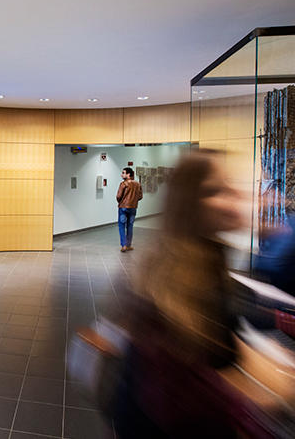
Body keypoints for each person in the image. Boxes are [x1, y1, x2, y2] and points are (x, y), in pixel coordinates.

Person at [114, 150, 277, 438]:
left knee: (123, 227)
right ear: (191, 203)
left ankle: (124, 243)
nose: (243, 195)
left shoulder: (204, 262)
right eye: (220, 189)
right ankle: (126, 243)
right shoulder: (180, 281)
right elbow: (185, 394)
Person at [116, 167, 142, 252]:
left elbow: (118, 196)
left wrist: (121, 202)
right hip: (133, 208)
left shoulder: (123, 184)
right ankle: (129, 245)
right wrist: (133, 201)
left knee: (121, 226)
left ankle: (123, 245)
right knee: (130, 226)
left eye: (123, 173)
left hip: (123, 207)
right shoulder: (138, 184)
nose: (122, 174)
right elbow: (140, 196)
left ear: (128, 174)